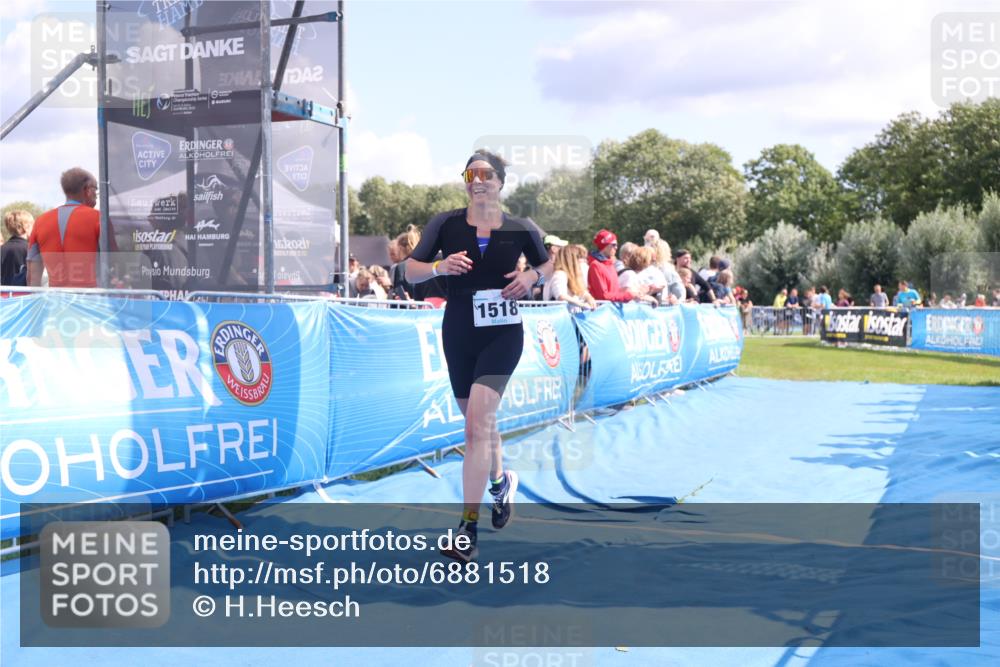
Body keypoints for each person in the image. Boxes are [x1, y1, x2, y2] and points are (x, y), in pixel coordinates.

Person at [406, 150, 553, 563]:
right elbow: (409, 268)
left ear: (501, 181)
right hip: (458, 331)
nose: (478, 180)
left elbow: (550, 264)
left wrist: (531, 276)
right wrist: (438, 266)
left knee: (475, 429)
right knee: (481, 427)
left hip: (503, 335)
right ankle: (501, 480)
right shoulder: (446, 223)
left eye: (486, 174)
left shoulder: (521, 227)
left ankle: (467, 528)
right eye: (471, 174)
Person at [27, 168, 106, 287]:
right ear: (88, 190)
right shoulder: (99, 218)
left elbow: (32, 276)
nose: (96, 195)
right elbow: (114, 264)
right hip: (91, 301)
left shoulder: (40, 221)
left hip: (56, 300)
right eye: (96, 189)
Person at [588, 230, 644, 302]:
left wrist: (637, 294)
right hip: (603, 311)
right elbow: (603, 296)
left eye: (617, 245)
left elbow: (615, 292)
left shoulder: (610, 264)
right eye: (613, 245)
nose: (616, 247)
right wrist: (629, 295)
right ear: (605, 246)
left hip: (612, 310)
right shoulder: (595, 265)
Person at [543, 243, 595, 311]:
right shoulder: (559, 274)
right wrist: (582, 304)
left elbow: (581, 292)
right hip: (559, 317)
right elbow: (561, 296)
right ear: (571, 259)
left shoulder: (571, 276)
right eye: (579, 257)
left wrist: (589, 298)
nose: (582, 260)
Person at [1, 210, 33, 286]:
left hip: (4, 295)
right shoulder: (31, 249)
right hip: (24, 296)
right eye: (32, 225)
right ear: (26, 227)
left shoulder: (2, 249)